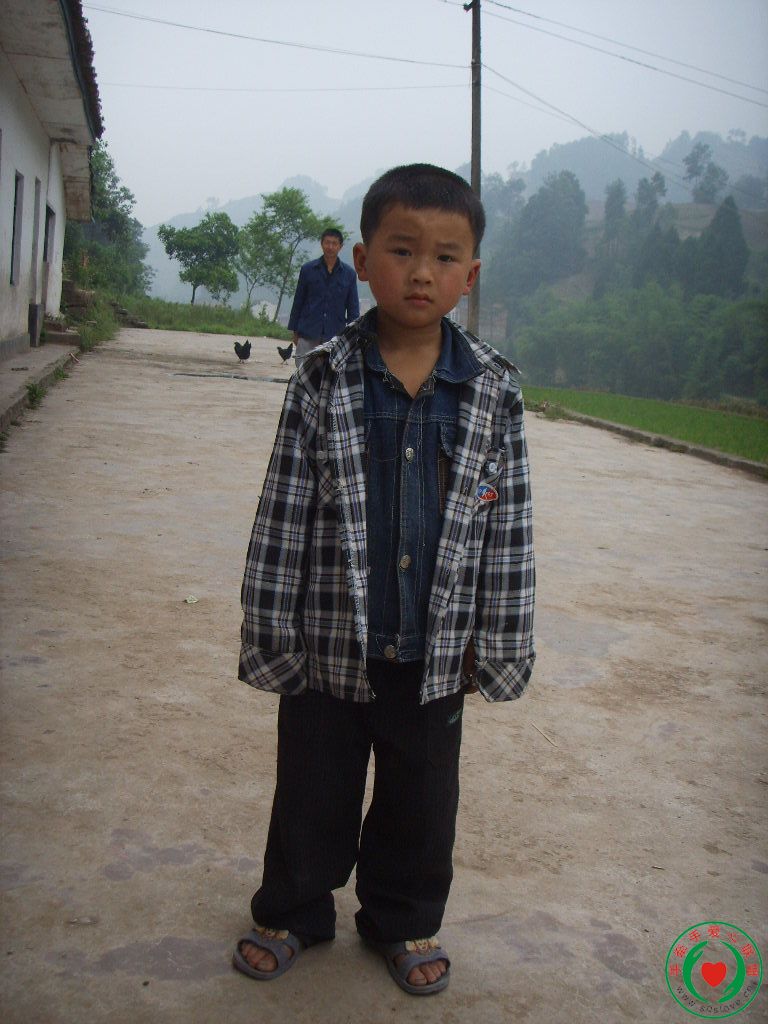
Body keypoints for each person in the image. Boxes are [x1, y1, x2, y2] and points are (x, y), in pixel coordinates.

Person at [234, 164, 535, 995]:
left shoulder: (495, 391)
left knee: (422, 803)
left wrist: (500, 643)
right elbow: (283, 511)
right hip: (331, 640)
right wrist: (272, 631)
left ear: (471, 276)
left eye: (445, 257)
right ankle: (295, 908)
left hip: (436, 652)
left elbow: (509, 529)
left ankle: (402, 919)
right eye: (402, 251)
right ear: (364, 262)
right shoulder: (323, 376)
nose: (422, 273)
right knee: (311, 789)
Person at [287, 227, 359, 365]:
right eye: (327, 242)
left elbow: (353, 309)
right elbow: (298, 301)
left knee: (330, 375)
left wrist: (352, 337)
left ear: (340, 246)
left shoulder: (349, 274)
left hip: (335, 336)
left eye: (334, 243)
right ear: (322, 244)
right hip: (308, 332)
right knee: (304, 374)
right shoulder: (308, 270)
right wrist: (295, 331)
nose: (330, 247)